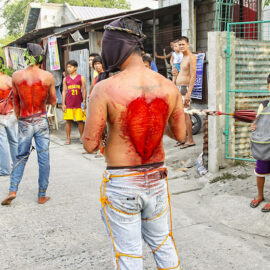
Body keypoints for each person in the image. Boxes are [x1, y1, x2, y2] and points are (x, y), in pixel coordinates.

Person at [83, 17, 186, 270]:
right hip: (157, 179)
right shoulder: (169, 86)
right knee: (163, 244)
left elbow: (90, 144)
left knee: (128, 255)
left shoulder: (105, 88)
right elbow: (180, 135)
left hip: (122, 183)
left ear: (116, 49)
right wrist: (155, 121)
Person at [1, 43, 57, 206]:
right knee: (43, 157)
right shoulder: (47, 76)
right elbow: (53, 100)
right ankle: (41, 195)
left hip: (24, 120)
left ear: (26, 56)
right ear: (40, 57)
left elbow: (16, 102)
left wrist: (20, 119)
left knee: (20, 156)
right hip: (40, 119)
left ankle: (12, 190)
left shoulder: (17, 76)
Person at [250, 74, 270, 212]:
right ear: (268, 86)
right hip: (265, 144)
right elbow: (256, 121)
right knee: (260, 171)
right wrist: (253, 125)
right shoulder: (264, 104)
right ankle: (260, 195)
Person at [174, 36, 197, 149]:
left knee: (186, 115)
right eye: (180, 44)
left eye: (183, 44)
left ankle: (190, 140)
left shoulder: (191, 58)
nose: (181, 46)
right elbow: (181, 72)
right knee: (181, 115)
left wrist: (189, 93)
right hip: (179, 87)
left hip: (185, 89)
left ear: (188, 44)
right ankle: (184, 139)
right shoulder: (182, 57)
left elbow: (193, 76)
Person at [62, 60, 87, 145]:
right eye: (67, 67)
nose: (68, 68)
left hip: (79, 103)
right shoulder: (65, 79)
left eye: (70, 67)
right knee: (68, 121)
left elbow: (84, 90)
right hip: (69, 103)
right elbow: (64, 91)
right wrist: (63, 103)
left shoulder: (81, 78)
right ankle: (68, 138)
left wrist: (84, 101)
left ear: (75, 67)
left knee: (80, 121)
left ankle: (81, 137)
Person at [0, 60, 18, 176]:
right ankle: (17, 167)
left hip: (0, 115)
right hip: (11, 113)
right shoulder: (9, 79)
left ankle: (5, 169)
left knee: (2, 142)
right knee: (14, 141)